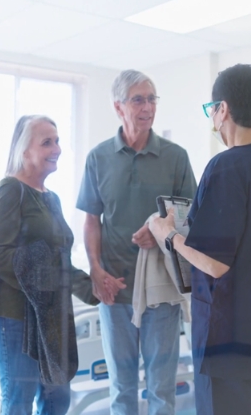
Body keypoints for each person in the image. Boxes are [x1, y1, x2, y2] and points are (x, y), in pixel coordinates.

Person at [150, 64, 251, 415]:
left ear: (223, 109)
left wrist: (168, 234)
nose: (214, 119)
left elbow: (215, 263)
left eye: (212, 110)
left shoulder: (225, 167)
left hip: (233, 347)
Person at [77, 70, 197, 414]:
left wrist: (159, 229)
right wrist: (95, 270)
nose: (147, 107)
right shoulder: (98, 158)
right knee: (122, 388)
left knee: (162, 389)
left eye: (152, 99)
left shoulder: (175, 157)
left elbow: (191, 215)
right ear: (119, 108)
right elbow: (91, 219)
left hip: (161, 289)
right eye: (138, 100)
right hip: (115, 290)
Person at [0, 115, 98, 415]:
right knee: (18, 400)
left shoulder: (52, 199)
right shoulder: (10, 191)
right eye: (47, 142)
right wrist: (45, 282)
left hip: (50, 319)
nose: (56, 148)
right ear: (24, 150)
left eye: (57, 140)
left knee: (57, 399)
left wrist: (96, 289)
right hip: (14, 318)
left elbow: (59, 262)